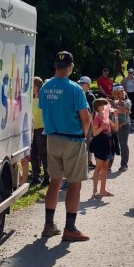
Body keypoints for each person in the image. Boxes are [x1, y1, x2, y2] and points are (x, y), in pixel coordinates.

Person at [38, 51, 91, 242]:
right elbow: (85, 117)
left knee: (55, 181)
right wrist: (84, 135)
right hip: (73, 139)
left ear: (55, 66)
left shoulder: (45, 87)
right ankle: (70, 228)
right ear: (70, 67)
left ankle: (49, 225)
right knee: (75, 183)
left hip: (52, 138)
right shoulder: (75, 88)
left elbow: (45, 110)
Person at [89, 98, 114, 198]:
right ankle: (95, 190)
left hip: (107, 144)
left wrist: (115, 118)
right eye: (104, 104)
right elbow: (95, 133)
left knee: (105, 168)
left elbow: (114, 128)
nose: (107, 106)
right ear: (99, 107)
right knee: (98, 167)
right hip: (100, 144)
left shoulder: (105, 117)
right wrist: (102, 127)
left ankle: (102, 190)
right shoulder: (97, 118)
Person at [30, 75, 48, 185]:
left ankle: (46, 178)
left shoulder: (43, 99)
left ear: (37, 86)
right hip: (32, 129)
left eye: (32, 85)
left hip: (42, 128)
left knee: (43, 154)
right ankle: (35, 177)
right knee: (33, 154)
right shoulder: (30, 99)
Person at [111, 84, 131, 169]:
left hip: (124, 126)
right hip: (114, 126)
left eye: (117, 93)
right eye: (114, 93)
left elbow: (124, 111)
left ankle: (124, 164)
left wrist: (114, 106)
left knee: (123, 146)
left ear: (121, 92)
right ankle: (109, 164)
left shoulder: (127, 101)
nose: (115, 94)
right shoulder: (114, 102)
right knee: (112, 145)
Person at [78, 76, 96, 169]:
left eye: (82, 83)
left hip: (88, 124)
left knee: (88, 143)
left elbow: (92, 112)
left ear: (88, 85)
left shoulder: (90, 96)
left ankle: (89, 161)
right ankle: (82, 162)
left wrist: (91, 126)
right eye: (80, 83)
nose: (80, 85)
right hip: (79, 124)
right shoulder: (79, 94)